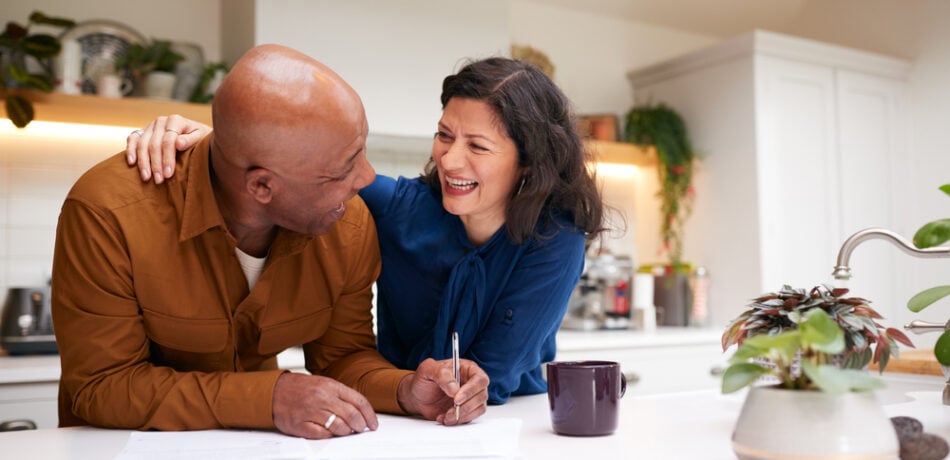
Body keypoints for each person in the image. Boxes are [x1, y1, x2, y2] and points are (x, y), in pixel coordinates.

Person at [51, 44, 489, 440]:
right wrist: (269, 398)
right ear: (261, 187)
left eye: (361, 150)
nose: (367, 179)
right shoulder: (108, 213)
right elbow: (102, 386)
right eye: (342, 170)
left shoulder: (347, 223)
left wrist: (406, 388)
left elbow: (343, 358)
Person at [126, 57, 606, 404]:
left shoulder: (555, 241)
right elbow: (300, 169)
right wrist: (214, 141)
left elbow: (492, 377)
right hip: (397, 406)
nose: (450, 159)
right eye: (444, 135)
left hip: (499, 421)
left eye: (477, 145)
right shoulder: (402, 209)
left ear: (528, 164)